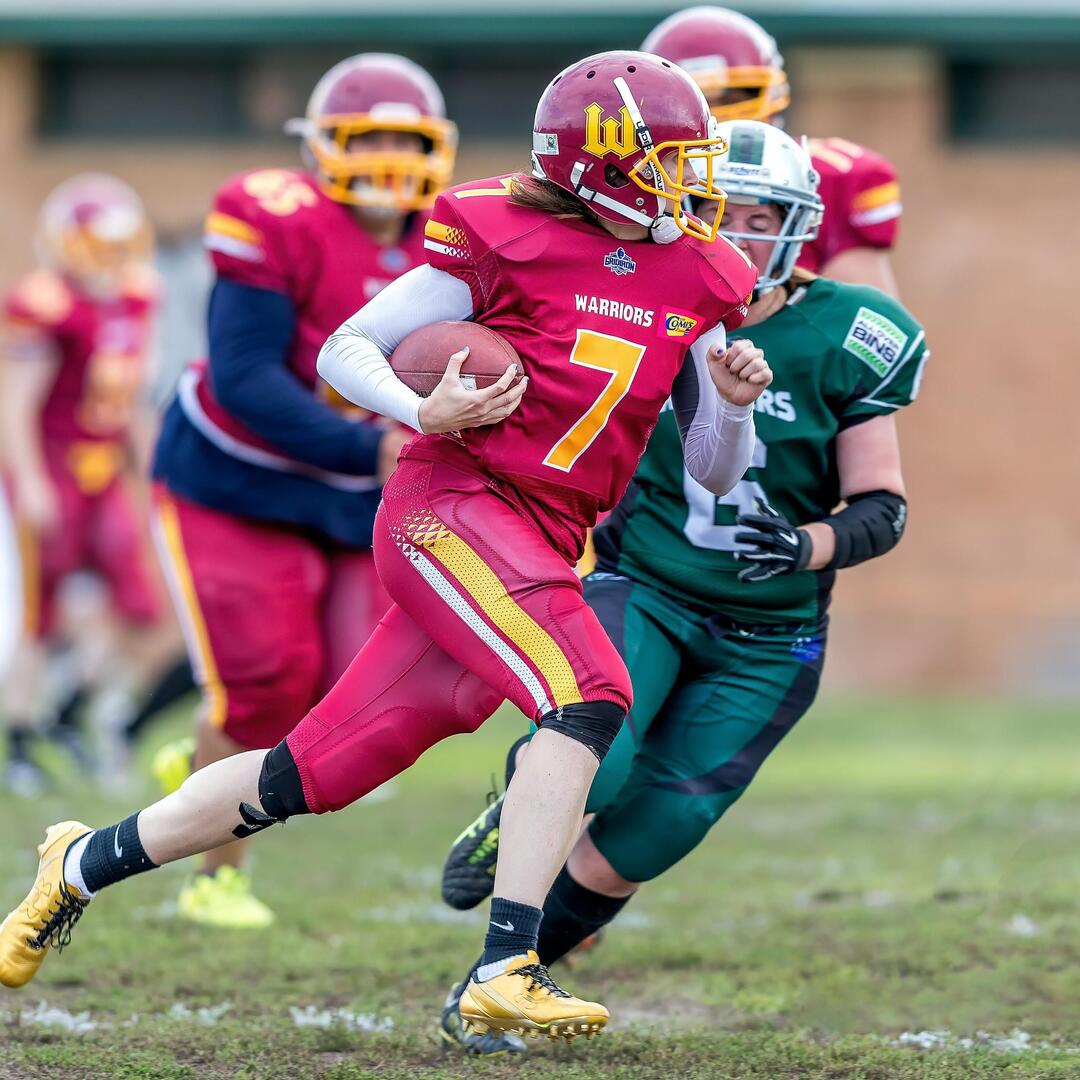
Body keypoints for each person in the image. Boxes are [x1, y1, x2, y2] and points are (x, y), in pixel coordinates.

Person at [0, 50, 771, 1041]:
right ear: (597, 164)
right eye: (669, 160)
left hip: (541, 534)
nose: (691, 183)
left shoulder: (700, 270)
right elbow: (344, 349)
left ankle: (80, 862)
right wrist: (423, 406)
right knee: (591, 692)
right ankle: (507, 965)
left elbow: (710, 465)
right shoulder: (505, 231)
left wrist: (739, 411)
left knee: (308, 773)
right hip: (450, 504)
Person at [437, 120, 927, 1051]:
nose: (735, 231)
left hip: (770, 633)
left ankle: (492, 984)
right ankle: (511, 857)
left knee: (658, 829)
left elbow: (884, 506)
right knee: (600, 757)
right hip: (646, 582)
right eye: (715, 211)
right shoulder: (652, 297)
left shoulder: (851, 332)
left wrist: (806, 544)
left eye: (758, 216)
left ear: (801, 226)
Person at [146, 54, 455, 929]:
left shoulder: (452, 236)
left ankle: (205, 756)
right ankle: (217, 876)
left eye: (408, 140)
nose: (391, 158)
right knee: (262, 681)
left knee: (346, 692)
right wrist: (375, 443)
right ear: (324, 147)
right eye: (371, 139)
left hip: (353, 485)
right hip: (238, 477)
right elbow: (246, 378)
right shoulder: (271, 213)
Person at [0, 174, 168, 796]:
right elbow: (16, 406)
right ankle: (19, 741)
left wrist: (153, 470)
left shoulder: (138, 297)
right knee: (39, 617)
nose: (109, 260)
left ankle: (68, 715)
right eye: (97, 245)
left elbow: (132, 402)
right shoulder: (47, 302)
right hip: (51, 471)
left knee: (141, 608)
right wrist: (33, 483)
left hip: (102, 476)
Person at [642, 5, 903, 297]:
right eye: (696, 100)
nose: (713, 114)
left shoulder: (823, 176)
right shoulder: (624, 181)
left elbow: (859, 325)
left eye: (733, 96)